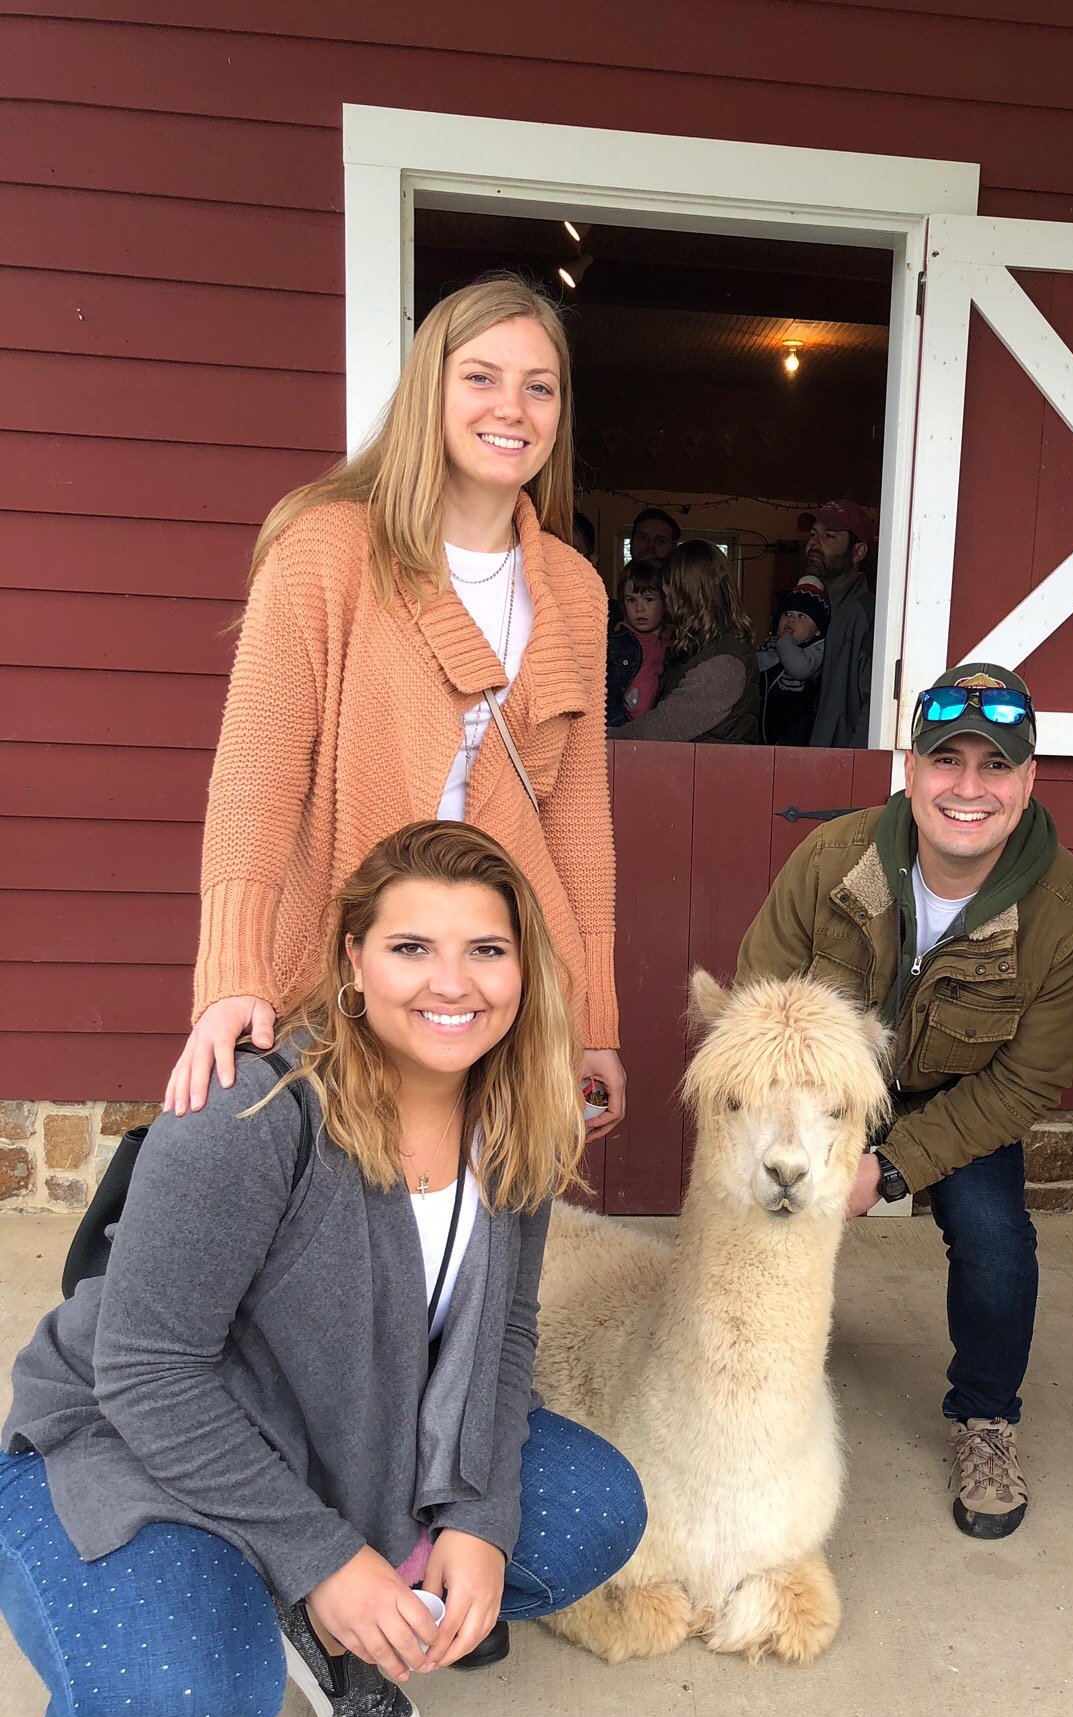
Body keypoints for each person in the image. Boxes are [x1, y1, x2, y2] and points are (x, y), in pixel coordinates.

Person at [0, 822, 646, 1717]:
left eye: (487, 949)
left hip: (346, 1434)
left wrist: (480, 1516)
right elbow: (147, 1371)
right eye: (410, 948)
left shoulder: (520, 1118)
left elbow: (505, 1340)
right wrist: (325, 1554)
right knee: (178, 1710)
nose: (454, 982)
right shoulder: (252, 1111)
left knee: (586, 1510)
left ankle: (313, 1602)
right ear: (352, 961)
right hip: (133, 1439)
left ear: (526, 968)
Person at [163, 273, 625, 1142]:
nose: (512, 409)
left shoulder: (576, 588)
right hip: (348, 972)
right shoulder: (326, 550)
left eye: (540, 387)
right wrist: (233, 971)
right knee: (336, 1244)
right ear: (430, 391)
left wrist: (593, 1020)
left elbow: (579, 821)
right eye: (481, 377)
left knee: (486, 1239)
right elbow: (256, 776)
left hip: (500, 987)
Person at [737, 664, 1073, 1535]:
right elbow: (761, 999)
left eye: (995, 766)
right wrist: (812, 1134)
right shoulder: (834, 860)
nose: (968, 788)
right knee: (762, 1200)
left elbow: (1023, 1080)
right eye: (949, 761)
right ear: (913, 768)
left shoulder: (1072, 915)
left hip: (962, 1095)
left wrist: (891, 1168)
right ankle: (749, 1378)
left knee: (994, 1240)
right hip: (824, 1087)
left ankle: (986, 1418)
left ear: (1029, 781)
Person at [621, 540, 760, 744]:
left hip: (714, 773)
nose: (667, 606)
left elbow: (662, 729)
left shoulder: (723, 663)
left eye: (669, 598)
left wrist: (599, 740)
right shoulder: (696, 646)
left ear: (687, 598)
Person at [803, 499, 877, 749]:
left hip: (839, 766)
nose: (814, 543)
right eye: (813, 534)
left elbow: (875, 703)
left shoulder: (867, 614)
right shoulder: (801, 607)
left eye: (829, 536)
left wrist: (856, 767)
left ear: (858, 552)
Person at [759, 574, 830, 747]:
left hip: (794, 734)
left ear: (817, 631)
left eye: (801, 616)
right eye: (787, 613)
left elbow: (799, 668)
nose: (791, 619)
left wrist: (785, 641)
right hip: (762, 729)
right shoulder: (770, 644)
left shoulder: (817, 649)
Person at [605, 557, 672, 728]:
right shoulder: (615, 644)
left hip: (662, 733)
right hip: (623, 730)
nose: (639, 609)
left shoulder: (676, 641)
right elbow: (607, 697)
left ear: (666, 601)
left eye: (649, 600)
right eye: (631, 600)